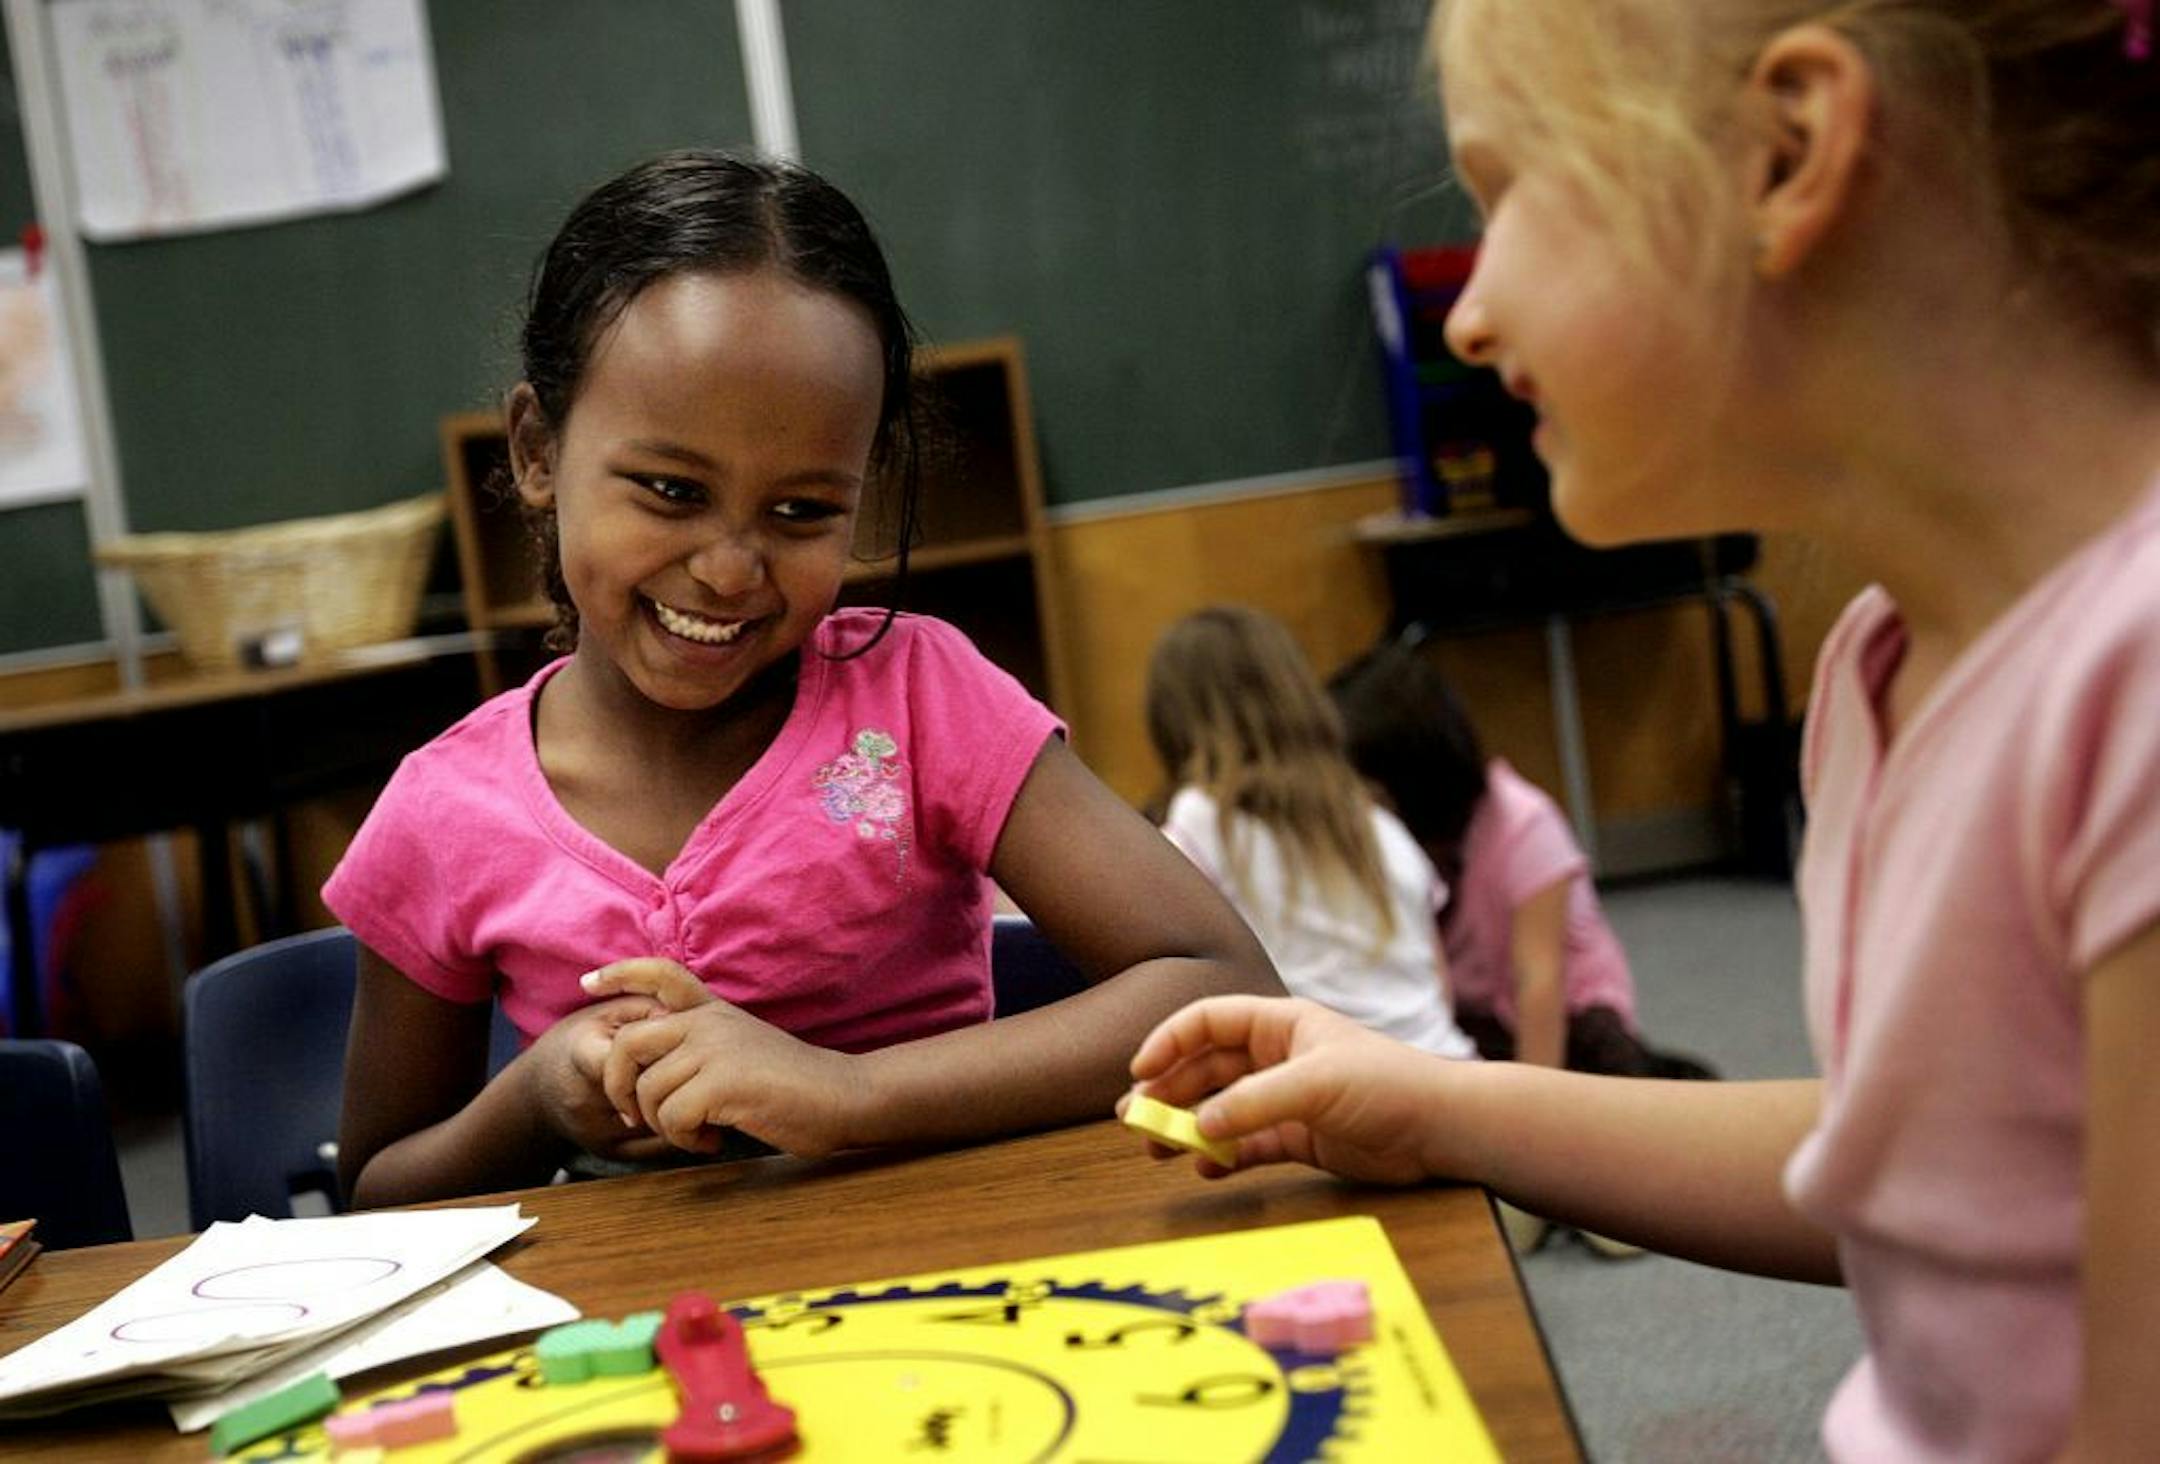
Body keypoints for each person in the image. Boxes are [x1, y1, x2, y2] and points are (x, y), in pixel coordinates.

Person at [1130, 1, 2160, 1456]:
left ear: (1783, 154)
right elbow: (1921, 1176)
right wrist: (1428, 1104)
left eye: (1503, 195)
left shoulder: (2134, 694)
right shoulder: (1886, 665)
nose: (1471, 312)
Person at [327, 150, 1280, 1209]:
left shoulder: (917, 702)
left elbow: (1221, 983)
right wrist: (538, 1101)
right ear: (539, 450)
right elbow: (375, 1191)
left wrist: (848, 1092)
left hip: (949, 1291)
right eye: (671, 489)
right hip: (641, 1337)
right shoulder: (442, 813)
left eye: (802, 513)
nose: (731, 568)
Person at [1328, 642, 1714, 1080]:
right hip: (1476, 1016)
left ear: (1408, 775)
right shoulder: (1388, 841)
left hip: (1566, 1018)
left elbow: (1539, 982)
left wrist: (1531, 1108)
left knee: (1604, 1084)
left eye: (1363, 784)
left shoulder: (1524, 824)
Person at [1143, 606, 1476, 1060]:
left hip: (1335, 1095)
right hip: (1448, 1071)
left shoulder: (1202, 821)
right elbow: (1438, 986)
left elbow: (1155, 968)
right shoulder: (1378, 824)